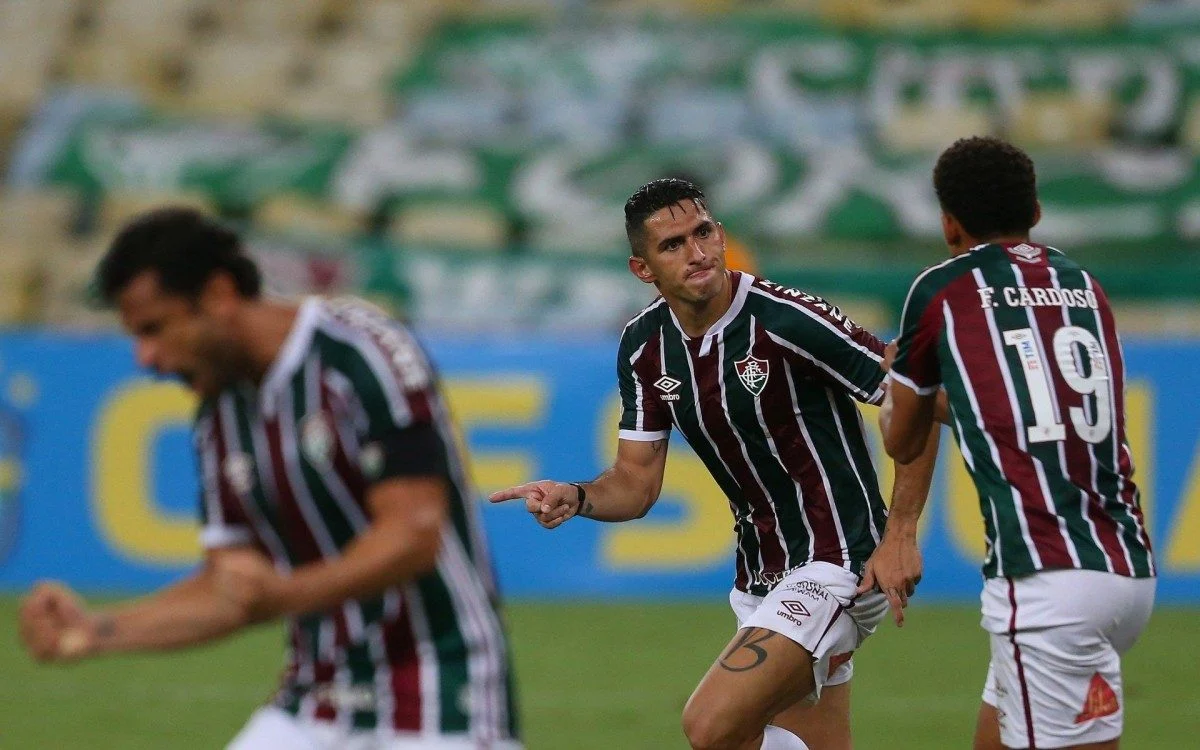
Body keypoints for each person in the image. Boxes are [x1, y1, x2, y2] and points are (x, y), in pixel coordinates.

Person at [17, 208, 521, 750]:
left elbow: (414, 535)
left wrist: (285, 594)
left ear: (216, 294)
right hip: (314, 702)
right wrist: (94, 631)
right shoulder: (217, 412)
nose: (146, 359)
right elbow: (231, 587)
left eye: (154, 329)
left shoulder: (361, 353)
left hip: (439, 695)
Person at [490, 178, 940, 750]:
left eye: (702, 233)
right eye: (673, 244)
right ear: (642, 269)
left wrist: (900, 533)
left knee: (711, 724)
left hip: (841, 559)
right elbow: (635, 482)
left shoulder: (787, 319)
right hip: (760, 575)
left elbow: (915, 400)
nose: (697, 252)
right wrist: (576, 497)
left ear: (720, 234)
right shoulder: (643, 346)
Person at [877, 136, 1156, 750]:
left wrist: (898, 396)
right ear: (1035, 212)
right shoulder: (1084, 285)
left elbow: (903, 439)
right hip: (1126, 566)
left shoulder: (941, 290)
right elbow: (1030, 408)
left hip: (1046, 578)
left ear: (950, 225)